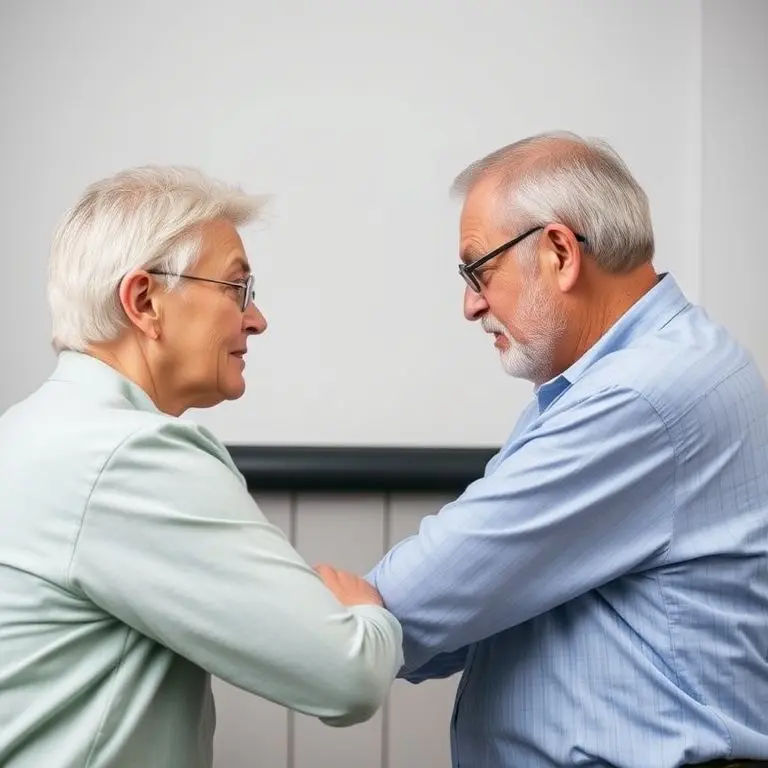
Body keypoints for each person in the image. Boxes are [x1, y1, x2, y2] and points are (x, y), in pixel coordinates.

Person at [317, 132, 768, 767]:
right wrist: (383, 621)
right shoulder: (626, 376)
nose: (471, 303)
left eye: (479, 269)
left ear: (559, 252)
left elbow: (416, 605)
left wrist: (341, 618)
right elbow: (459, 617)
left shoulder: (640, 395)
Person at [0, 166, 403, 768]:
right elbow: (347, 675)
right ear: (144, 302)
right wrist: (370, 613)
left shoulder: (25, 430)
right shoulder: (129, 457)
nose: (256, 318)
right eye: (236, 289)